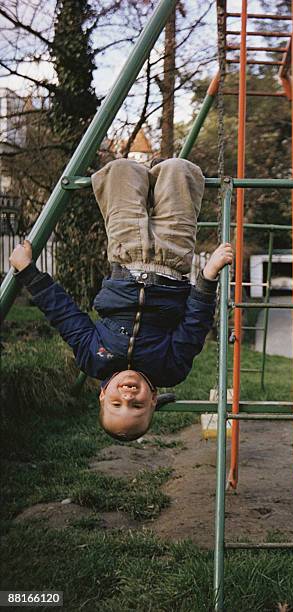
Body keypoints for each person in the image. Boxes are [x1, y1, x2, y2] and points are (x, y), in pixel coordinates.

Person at [10, 158, 233, 442]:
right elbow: (194, 324)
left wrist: (28, 272)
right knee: (179, 170)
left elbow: (65, 317)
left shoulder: (94, 359)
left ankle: (145, 176)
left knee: (120, 170)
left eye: (117, 403)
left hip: (126, 254)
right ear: (153, 399)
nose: (127, 396)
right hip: (173, 258)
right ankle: (160, 176)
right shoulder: (170, 368)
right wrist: (208, 275)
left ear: (103, 395)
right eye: (136, 405)